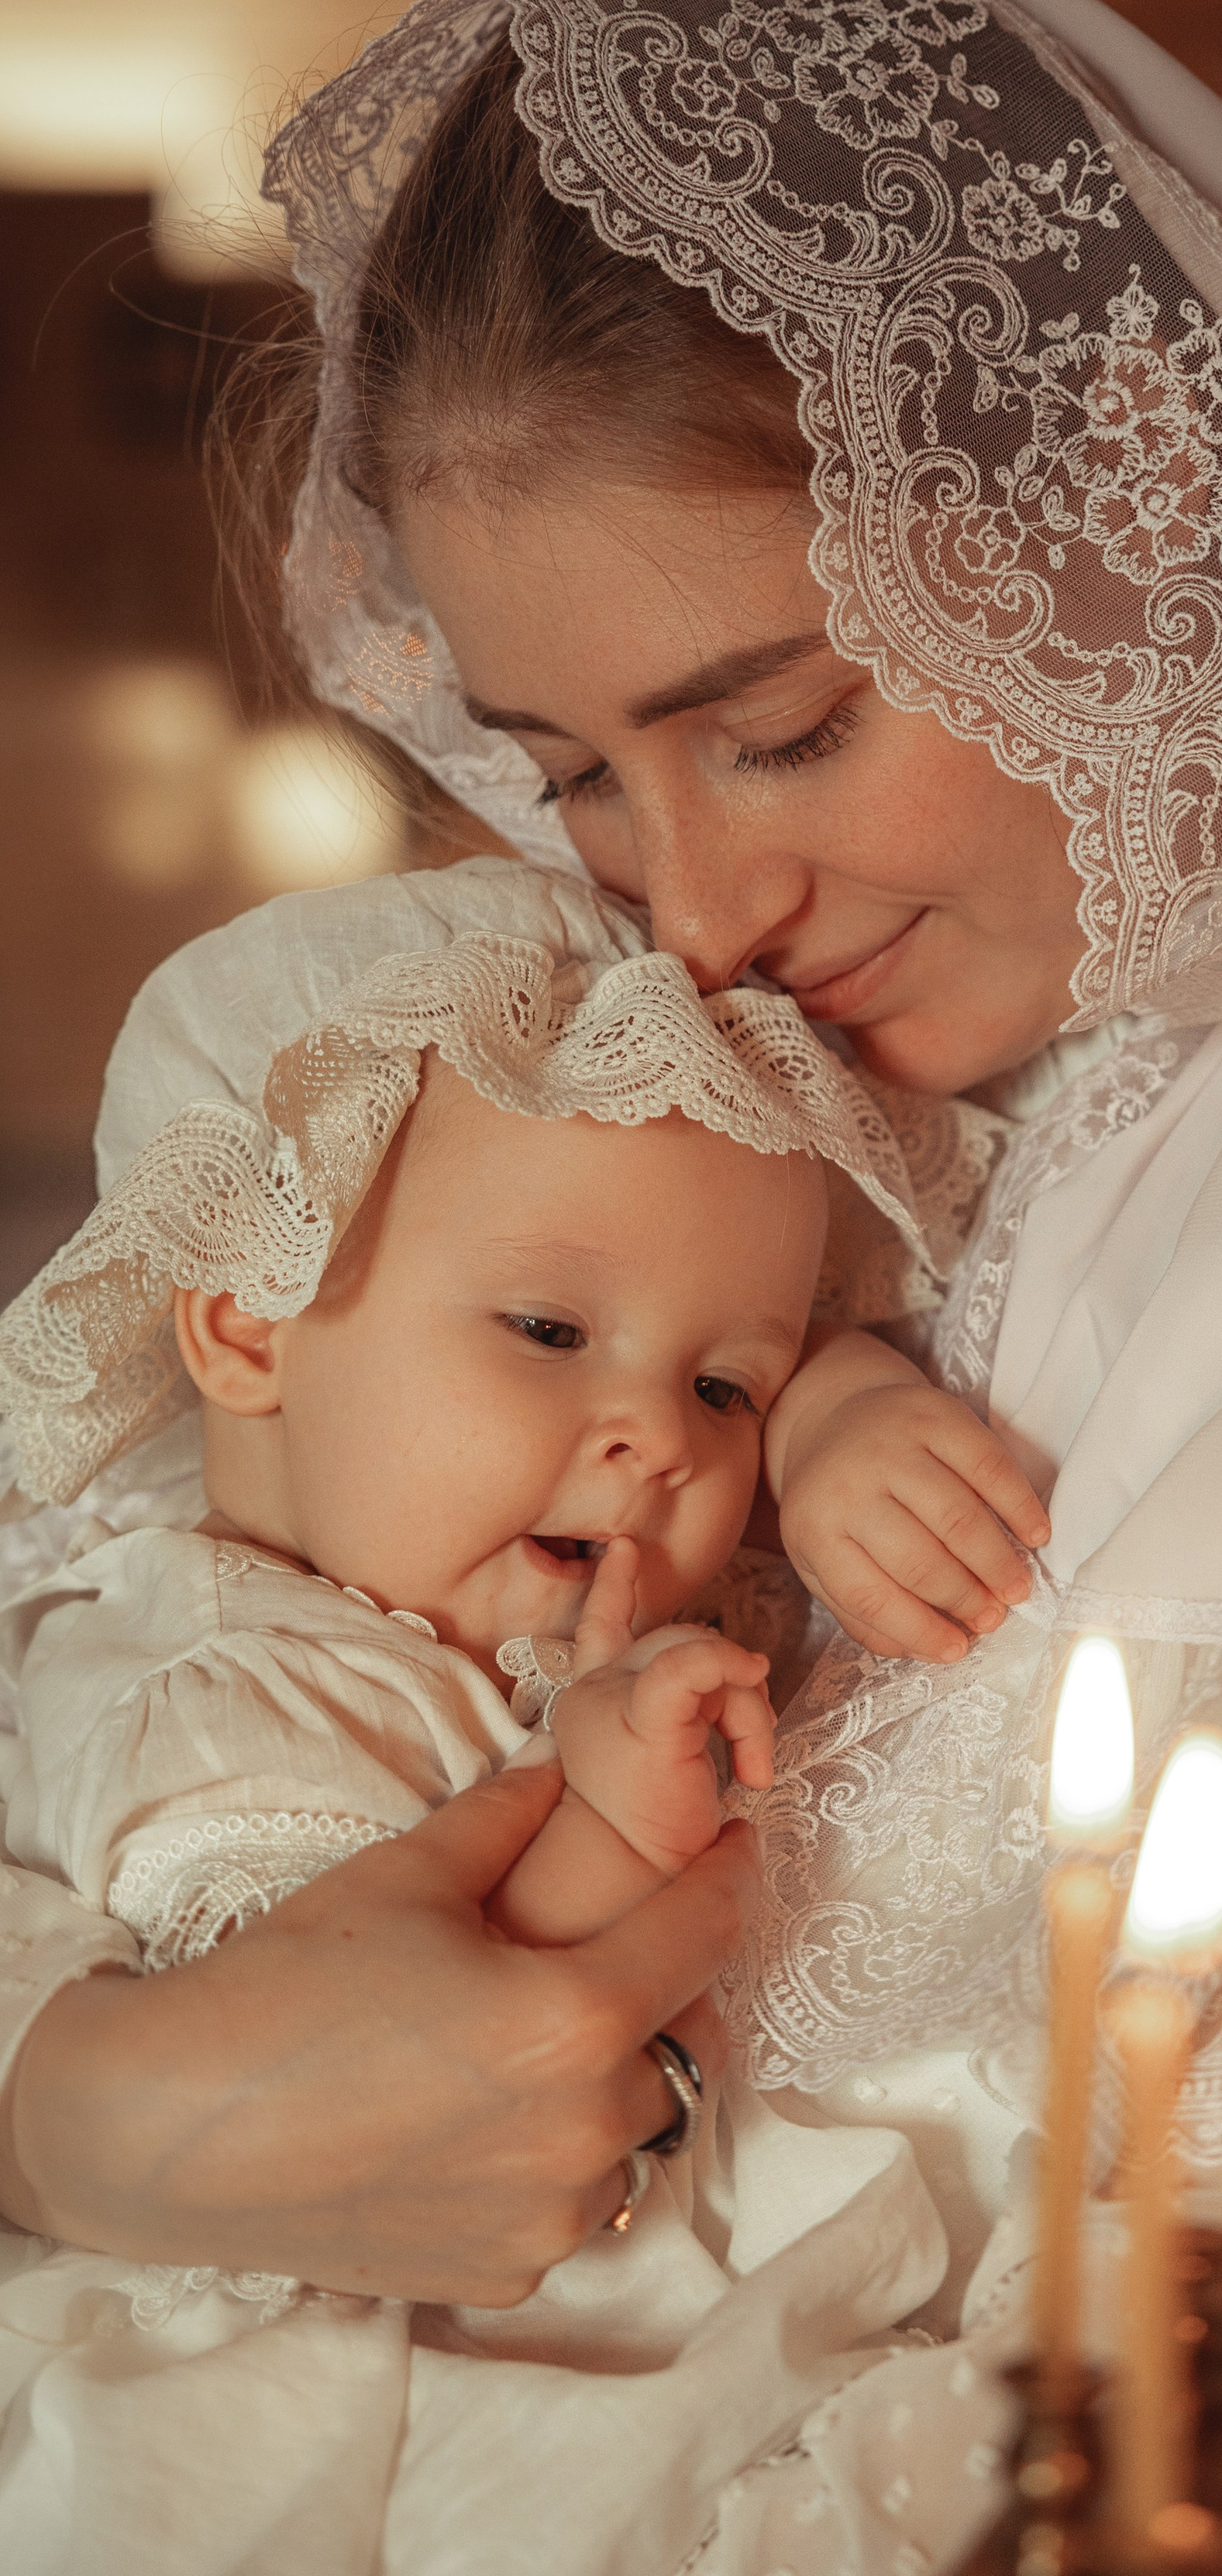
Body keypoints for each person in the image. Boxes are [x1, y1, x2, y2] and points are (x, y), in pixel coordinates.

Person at [0, 0, 1222, 2573]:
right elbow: (135, 1652)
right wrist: (87, 2105)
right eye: (577, 775)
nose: (690, 912)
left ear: (1125, 495)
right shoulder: (729, 1066)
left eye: (779, 730)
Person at [0, 853, 1050, 2565]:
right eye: (550, 1328)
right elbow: (373, 2073)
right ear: (249, 1322)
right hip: (319, 2377)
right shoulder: (211, 1682)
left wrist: (830, 1415)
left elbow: (758, 1339)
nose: (664, 1437)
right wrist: (611, 1817)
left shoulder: (486, 1584)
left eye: (723, 1385)